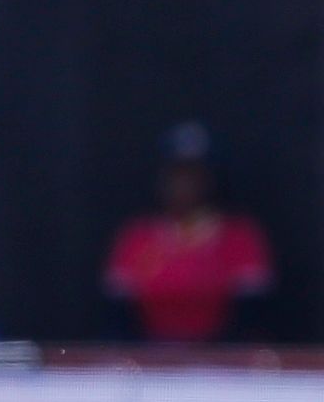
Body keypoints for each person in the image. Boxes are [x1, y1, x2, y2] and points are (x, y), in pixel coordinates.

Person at [103, 122, 275, 342]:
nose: (185, 185)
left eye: (194, 175)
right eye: (177, 175)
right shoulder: (138, 237)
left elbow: (250, 316)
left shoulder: (239, 236)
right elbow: (119, 315)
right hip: (149, 354)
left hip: (221, 354)